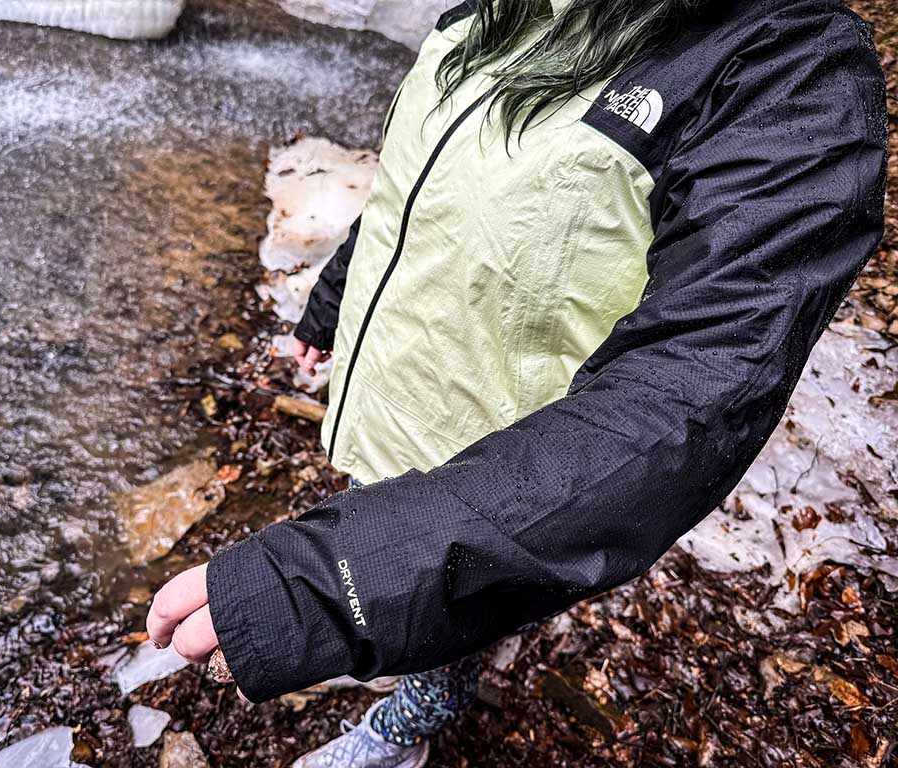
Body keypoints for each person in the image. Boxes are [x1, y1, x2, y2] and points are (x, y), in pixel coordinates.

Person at [147, 0, 887, 764]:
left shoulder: (787, 64)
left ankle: (408, 727)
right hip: (396, 392)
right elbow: (413, 190)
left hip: (503, 460)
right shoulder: (496, 10)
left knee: (443, 618)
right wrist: (331, 301)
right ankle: (400, 633)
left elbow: (689, 391)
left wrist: (343, 580)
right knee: (398, 556)